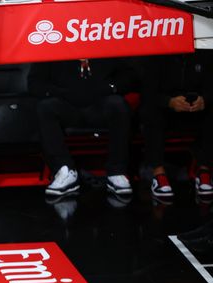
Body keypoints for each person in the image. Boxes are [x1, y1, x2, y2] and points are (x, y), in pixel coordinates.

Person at [28, 57, 137, 198]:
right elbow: (34, 84)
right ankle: (64, 170)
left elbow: (131, 76)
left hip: (101, 103)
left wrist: (110, 87)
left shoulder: (107, 43)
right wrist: (61, 92)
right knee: (45, 107)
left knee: (118, 105)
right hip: (66, 104)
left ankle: (117, 171)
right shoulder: (52, 46)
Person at [140, 51, 213, 200]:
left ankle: (204, 171)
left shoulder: (205, 53)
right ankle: (158, 174)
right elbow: (147, 93)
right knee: (151, 113)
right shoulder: (156, 55)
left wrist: (205, 100)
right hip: (167, 111)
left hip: (195, 110)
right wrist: (169, 102)